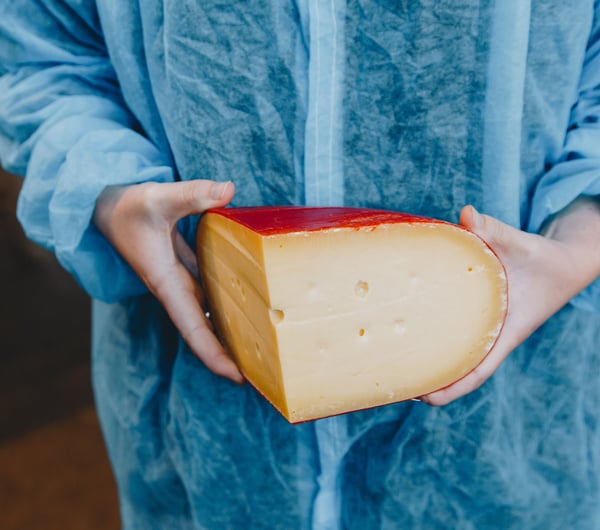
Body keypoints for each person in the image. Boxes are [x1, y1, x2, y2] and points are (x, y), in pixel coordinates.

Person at [1, 1, 599, 528]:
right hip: (201, 445)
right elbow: (38, 51)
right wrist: (107, 191)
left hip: (511, 441)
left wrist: (581, 238)